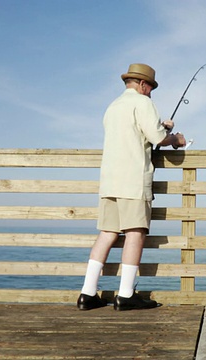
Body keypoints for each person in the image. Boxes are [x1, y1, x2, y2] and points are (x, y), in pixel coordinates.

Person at [77, 63, 186, 311]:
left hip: (109, 181)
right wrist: (175, 139)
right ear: (143, 85)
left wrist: (161, 128)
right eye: (150, 89)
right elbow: (157, 138)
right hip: (133, 180)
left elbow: (139, 133)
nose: (150, 93)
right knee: (136, 232)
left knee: (107, 233)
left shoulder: (113, 107)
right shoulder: (143, 103)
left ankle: (87, 293)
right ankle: (126, 295)